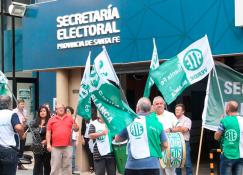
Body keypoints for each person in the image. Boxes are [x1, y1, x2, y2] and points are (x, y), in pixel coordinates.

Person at [115, 97, 168, 175]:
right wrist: (157, 149)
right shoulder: (157, 124)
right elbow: (165, 145)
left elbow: (117, 139)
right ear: (150, 110)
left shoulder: (129, 122)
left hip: (132, 166)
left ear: (137, 109)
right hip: (152, 165)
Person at [46, 104, 79, 175]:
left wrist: (75, 127)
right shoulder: (51, 119)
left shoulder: (70, 118)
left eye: (62, 108)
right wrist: (48, 144)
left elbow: (76, 129)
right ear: (56, 110)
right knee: (55, 166)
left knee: (67, 166)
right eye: (59, 108)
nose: (61, 109)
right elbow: (48, 132)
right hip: (55, 146)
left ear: (64, 109)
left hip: (68, 145)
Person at [152, 96, 181, 175]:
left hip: (170, 149)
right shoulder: (150, 117)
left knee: (171, 173)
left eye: (161, 103)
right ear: (153, 106)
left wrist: (170, 130)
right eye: (157, 104)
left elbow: (179, 127)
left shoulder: (170, 115)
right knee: (157, 173)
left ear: (164, 105)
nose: (159, 105)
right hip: (155, 149)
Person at [214, 101, 243, 175]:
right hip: (241, 154)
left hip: (228, 154)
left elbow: (217, 137)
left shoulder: (225, 120)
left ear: (228, 108)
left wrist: (221, 121)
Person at [0, 95, 25, 175]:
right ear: (9, 103)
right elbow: (19, 128)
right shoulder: (12, 114)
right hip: (9, 151)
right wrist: (21, 136)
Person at [30, 105, 51, 175]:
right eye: (41, 111)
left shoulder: (51, 122)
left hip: (46, 147)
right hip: (37, 147)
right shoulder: (34, 122)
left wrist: (47, 141)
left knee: (47, 165)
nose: (42, 112)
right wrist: (23, 122)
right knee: (37, 165)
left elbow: (54, 134)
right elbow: (26, 129)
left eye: (44, 111)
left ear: (47, 112)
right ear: (38, 112)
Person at [174, 104, 193, 175]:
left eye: (178, 110)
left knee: (187, 163)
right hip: (175, 143)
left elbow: (185, 129)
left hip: (185, 142)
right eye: (176, 110)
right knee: (177, 163)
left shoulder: (187, 120)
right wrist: (179, 129)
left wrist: (172, 129)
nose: (177, 111)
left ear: (183, 112)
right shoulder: (172, 119)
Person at [13, 98, 28, 170]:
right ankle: (17, 163)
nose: (23, 105)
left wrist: (25, 121)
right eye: (21, 104)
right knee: (16, 148)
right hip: (16, 132)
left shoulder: (25, 111)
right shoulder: (14, 112)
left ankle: (19, 163)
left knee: (22, 148)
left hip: (23, 130)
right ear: (17, 104)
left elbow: (24, 124)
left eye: (23, 104)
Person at [81, 108, 96, 173]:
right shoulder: (84, 119)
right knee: (89, 154)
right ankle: (91, 167)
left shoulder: (94, 120)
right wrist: (82, 139)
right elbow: (82, 130)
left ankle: (96, 167)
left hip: (93, 139)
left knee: (94, 153)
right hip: (86, 139)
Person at [65, 106, 80, 174]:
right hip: (66, 139)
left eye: (68, 111)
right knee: (66, 154)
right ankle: (66, 168)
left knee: (73, 155)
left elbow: (77, 130)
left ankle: (72, 169)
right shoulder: (64, 119)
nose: (67, 112)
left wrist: (77, 140)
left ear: (71, 112)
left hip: (73, 138)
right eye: (66, 111)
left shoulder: (74, 118)